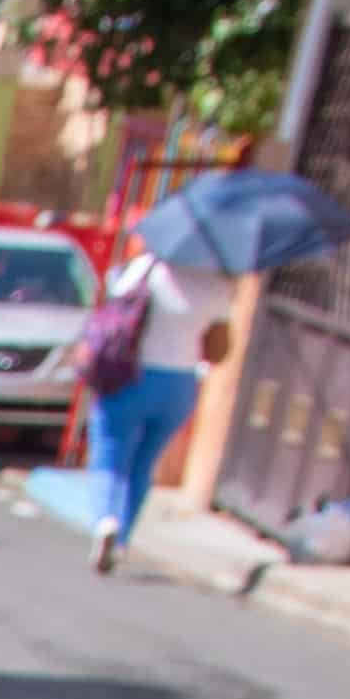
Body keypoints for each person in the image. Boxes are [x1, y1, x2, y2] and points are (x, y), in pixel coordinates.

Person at [84, 234, 241, 572]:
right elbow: (218, 352)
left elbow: (110, 314)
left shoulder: (144, 269)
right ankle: (123, 538)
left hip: (129, 375)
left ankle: (106, 520)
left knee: (110, 455)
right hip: (179, 384)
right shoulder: (217, 287)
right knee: (144, 463)